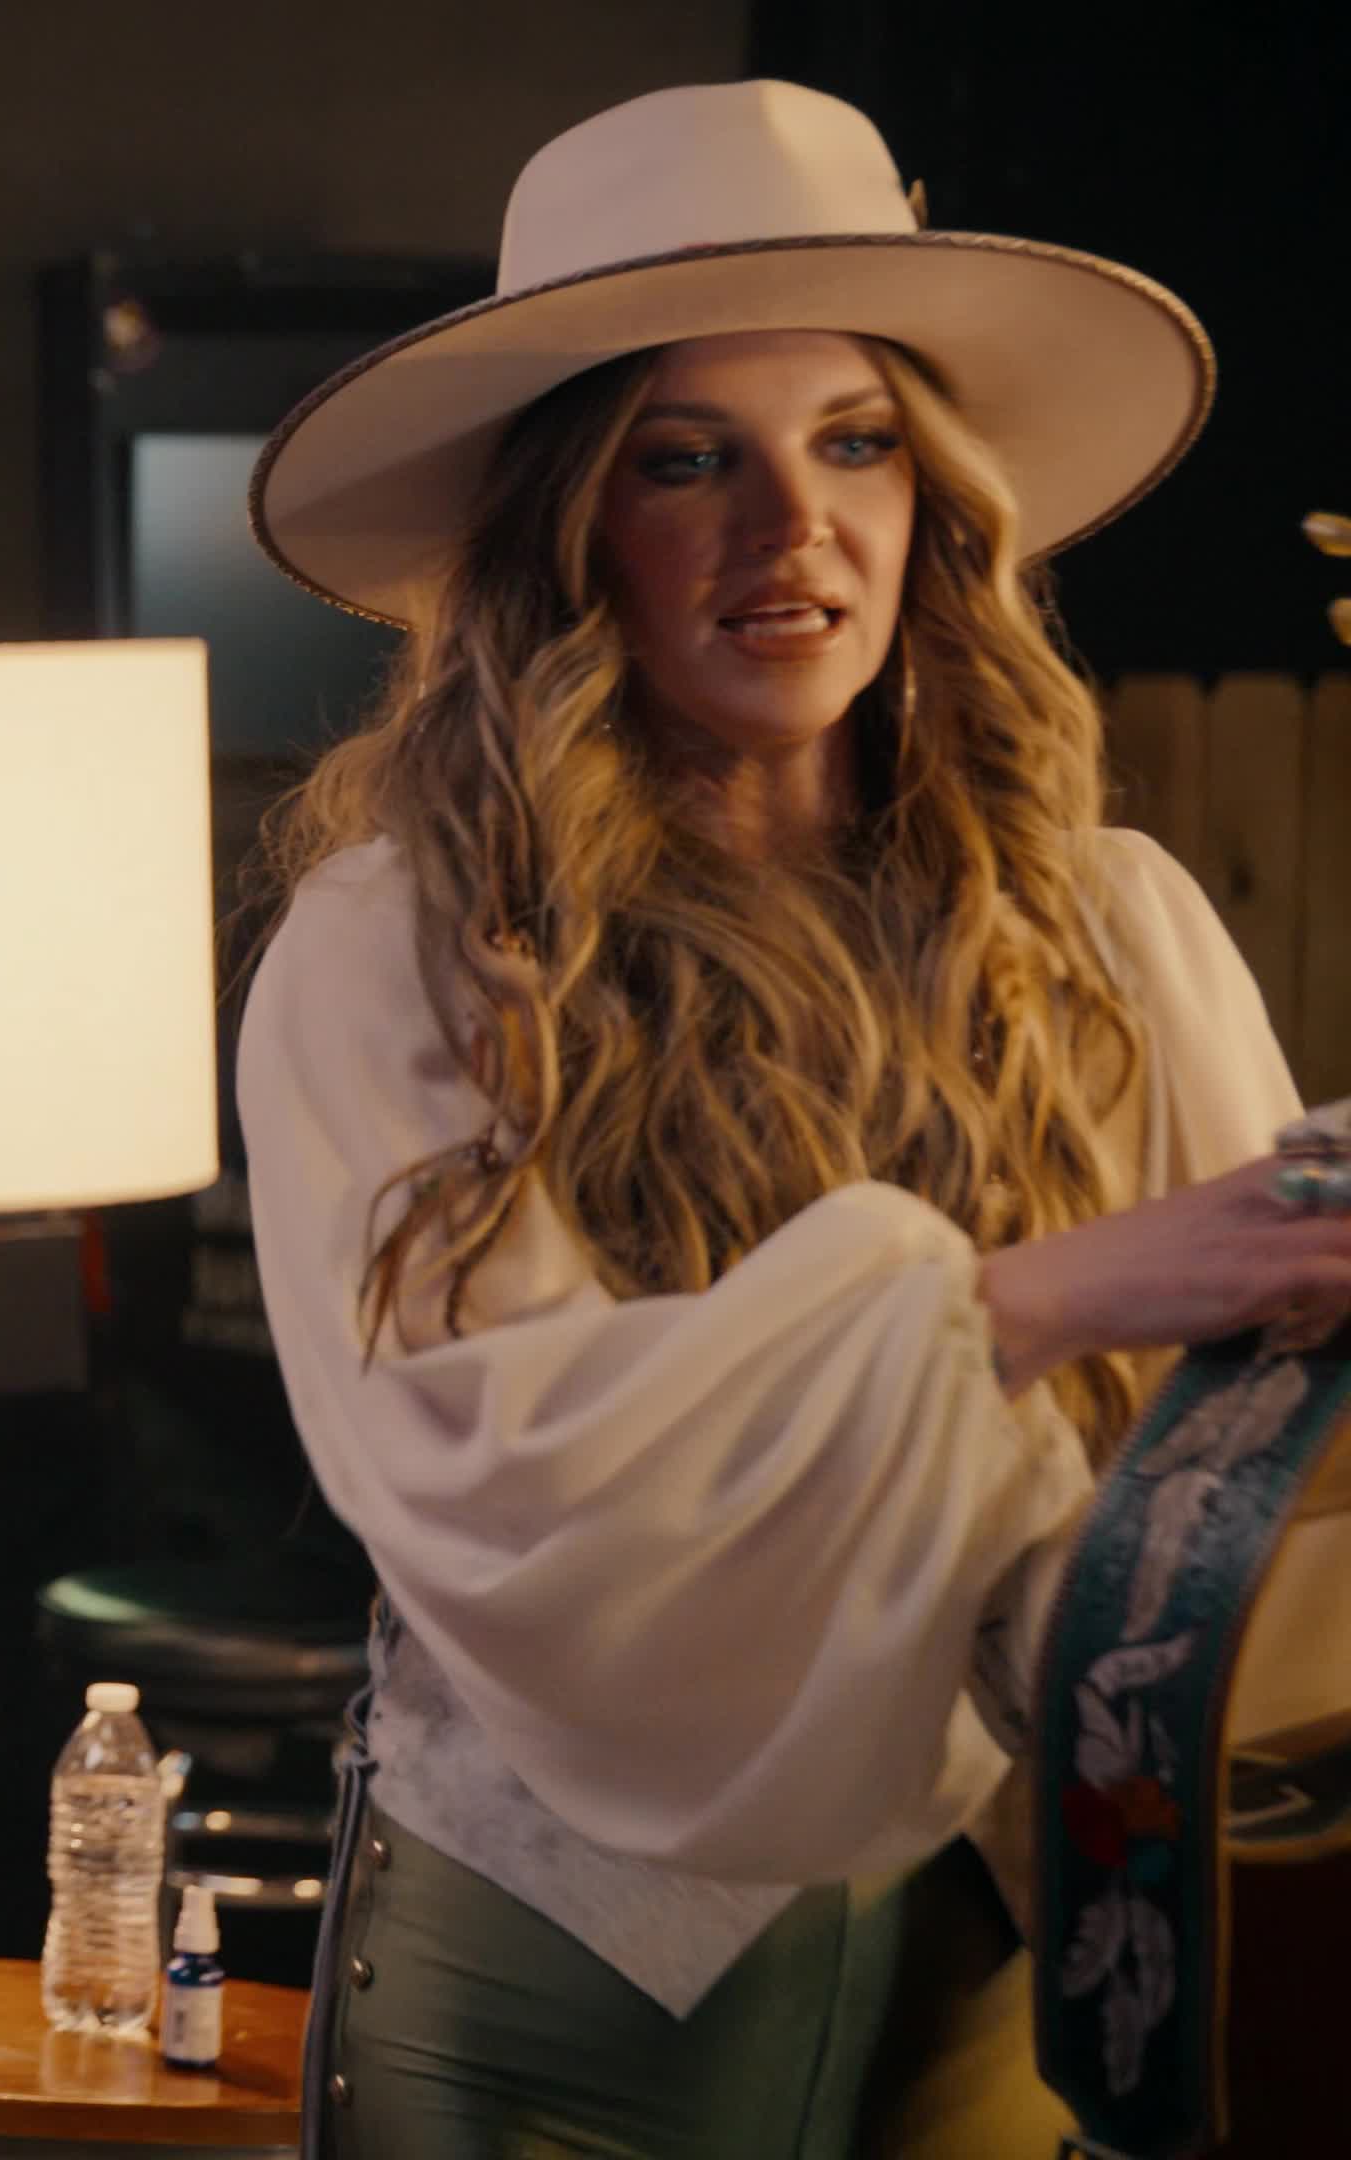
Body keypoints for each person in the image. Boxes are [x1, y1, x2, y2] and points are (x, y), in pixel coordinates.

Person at [239, 80, 1351, 2157]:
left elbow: (1247, 1474)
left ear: (936, 497)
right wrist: (1014, 1302)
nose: (793, 528)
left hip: (1004, 1967)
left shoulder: (1107, 929)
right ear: (569, 525)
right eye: (688, 460)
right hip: (564, 1998)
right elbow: (495, 1459)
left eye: (855, 442)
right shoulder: (409, 947)